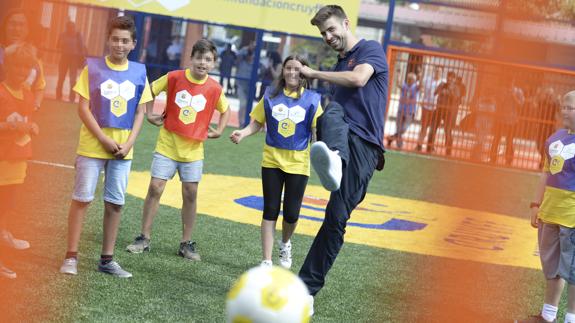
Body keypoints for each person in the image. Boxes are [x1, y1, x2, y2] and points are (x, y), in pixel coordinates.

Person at [295, 5, 387, 315]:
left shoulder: (370, 49)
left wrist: (314, 73)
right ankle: (305, 292)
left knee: (336, 218)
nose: (328, 36)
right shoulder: (341, 62)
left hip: (365, 147)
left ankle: (307, 290)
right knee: (331, 110)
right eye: (323, 33)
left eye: (332, 29)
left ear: (346, 24)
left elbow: (360, 79)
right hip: (343, 138)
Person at [59, 16, 153, 278]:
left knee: (115, 204)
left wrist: (129, 143)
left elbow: (139, 114)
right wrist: (103, 139)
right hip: (92, 147)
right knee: (82, 200)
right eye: (115, 39)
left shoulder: (139, 73)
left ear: (133, 43)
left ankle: (107, 260)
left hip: (123, 150)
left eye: (125, 41)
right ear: (107, 40)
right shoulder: (93, 67)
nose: (119, 45)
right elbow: (82, 107)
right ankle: (71, 256)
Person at [125, 39, 230, 261]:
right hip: (167, 144)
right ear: (191, 59)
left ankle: (186, 243)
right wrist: (150, 113)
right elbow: (149, 91)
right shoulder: (174, 77)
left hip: (193, 151)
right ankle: (143, 237)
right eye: (199, 57)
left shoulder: (215, 88)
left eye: (208, 59)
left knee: (190, 193)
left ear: (213, 64)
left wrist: (220, 130)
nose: (203, 62)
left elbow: (226, 109)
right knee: (155, 187)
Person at [230, 55, 323, 269]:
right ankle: (267, 260)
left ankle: (286, 243)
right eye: (288, 68)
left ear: (304, 72)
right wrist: (242, 133)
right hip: (271, 160)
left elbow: (318, 131)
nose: (292, 73)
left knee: (291, 214)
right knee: (270, 209)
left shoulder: (313, 100)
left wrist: (322, 151)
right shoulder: (270, 96)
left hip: (299, 164)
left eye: (297, 69)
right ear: (283, 71)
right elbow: (256, 123)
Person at [516, 91, 575, 323]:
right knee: (551, 266)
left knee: (572, 270)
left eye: (570, 108)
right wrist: (535, 204)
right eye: (563, 107)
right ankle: (547, 315)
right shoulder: (554, 139)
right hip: (549, 214)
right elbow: (545, 173)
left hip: (571, 218)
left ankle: (571, 318)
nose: (564, 111)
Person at [0, 43, 39, 279]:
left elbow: (28, 122)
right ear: (7, 66)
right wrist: (8, 126)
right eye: (17, 67)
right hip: (1, 161)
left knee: (7, 210)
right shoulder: (1, 92)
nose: (22, 72)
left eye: (26, 68)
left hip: (18, 164)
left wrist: (32, 126)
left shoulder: (28, 93)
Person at [0, 9, 45, 111]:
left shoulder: (35, 56)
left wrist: (36, 104)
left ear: (28, 29)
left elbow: (40, 86)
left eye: (21, 25)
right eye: (12, 24)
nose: (16, 29)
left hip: (22, 112)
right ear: (5, 27)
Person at [489, 78, 524, 165]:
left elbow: (521, 104)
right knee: (496, 138)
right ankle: (492, 157)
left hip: (512, 120)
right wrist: (504, 96)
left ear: (514, 81)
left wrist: (513, 96)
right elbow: (498, 102)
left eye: (511, 81)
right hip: (500, 119)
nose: (509, 83)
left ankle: (509, 159)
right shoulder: (502, 90)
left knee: (509, 140)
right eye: (508, 81)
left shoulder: (518, 91)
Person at [429, 71, 460, 156]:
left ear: (454, 79)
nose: (449, 79)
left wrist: (450, 90)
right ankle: (430, 147)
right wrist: (440, 88)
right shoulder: (442, 84)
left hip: (449, 111)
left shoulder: (456, 88)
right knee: (433, 128)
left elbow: (456, 99)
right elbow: (435, 93)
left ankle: (448, 150)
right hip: (439, 109)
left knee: (447, 130)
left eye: (451, 77)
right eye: (448, 77)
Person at [56, 21, 86, 103]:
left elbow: (82, 48)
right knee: (61, 77)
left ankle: (72, 98)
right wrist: (62, 43)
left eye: (73, 27)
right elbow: (58, 45)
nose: (71, 29)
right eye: (69, 27)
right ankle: (58, 96)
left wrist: (82, 59)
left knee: (73, 79)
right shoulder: (63, 35)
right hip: (64, 58)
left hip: (74, 59)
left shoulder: (78, 35)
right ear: (67, 28)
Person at [387, 72, 418, 149]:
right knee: (398, 128)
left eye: (412, 80)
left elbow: (421, 86)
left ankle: (391, 138)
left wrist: (421, 74)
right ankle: (399, 144)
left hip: (409, 112)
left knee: (403, 129)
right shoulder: (404, 86)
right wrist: (399, 74)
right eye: (409, 79)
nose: (410, 81)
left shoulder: (415, 87)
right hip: (401, 110)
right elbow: (398, 83)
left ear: (414, 81)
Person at [416, 67, 441, 152]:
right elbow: (420, 86)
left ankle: (431, 146)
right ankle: (419, 144)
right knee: (424, 127)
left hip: (435, 109)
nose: (437, 73)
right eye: (436, 71)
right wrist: (420, 76)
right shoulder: (427, 79)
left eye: (439, 72)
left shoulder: (442, 82)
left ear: (441, 73)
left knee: (433, 129)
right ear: (434, 71)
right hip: (426, 107)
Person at [235, 43, 255, 128]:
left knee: (249, 105)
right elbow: (238, 56)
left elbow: (262, 70)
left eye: (251, 55)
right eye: (248, 55)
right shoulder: (241, 62)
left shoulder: (255, 64)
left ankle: (246, 122)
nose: (249, 57)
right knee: (242, 103)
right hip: (241, 85)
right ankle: (241, 122)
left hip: (250, 87)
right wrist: (246, 48)